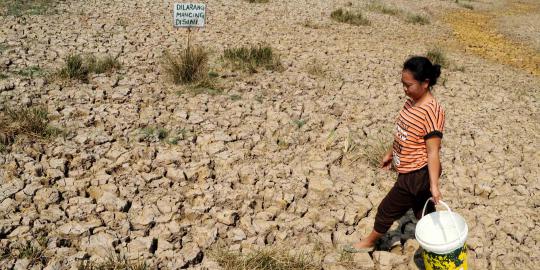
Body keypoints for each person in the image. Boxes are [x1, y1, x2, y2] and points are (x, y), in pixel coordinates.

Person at [344, 56, 445, 252]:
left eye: (408, 85)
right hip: (410, 170)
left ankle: (369, 243)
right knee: (422, 209)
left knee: (386, 209)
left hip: (416, 174)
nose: (404, 89)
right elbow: (403, 133)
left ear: (425, 83)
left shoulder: (432, 111)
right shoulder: (410, 103)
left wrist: (434, 185)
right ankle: (440, 241)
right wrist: (391, 153)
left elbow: (433, 152)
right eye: (402, 84)